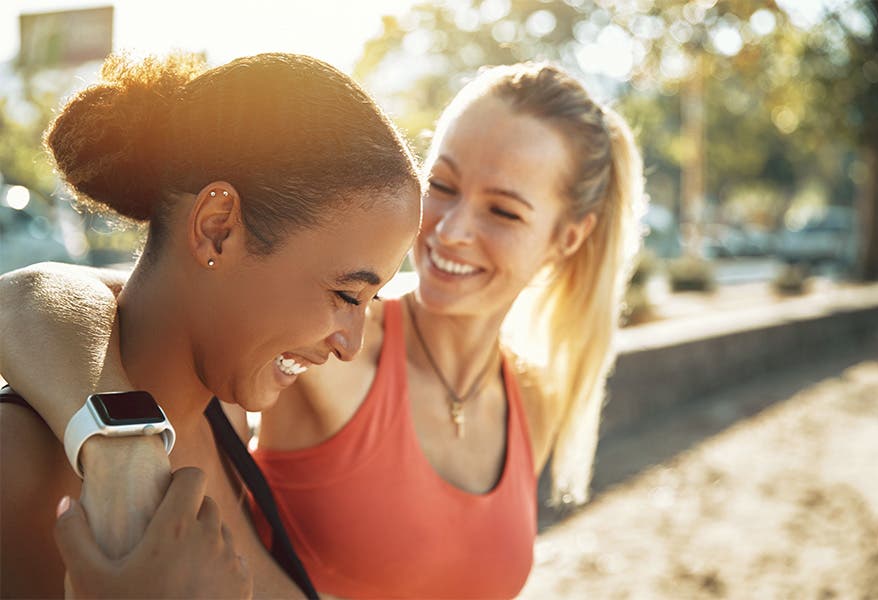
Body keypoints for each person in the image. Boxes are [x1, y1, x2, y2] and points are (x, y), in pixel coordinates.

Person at [1, 62, 645, 599]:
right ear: (217, 227)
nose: (448, 232)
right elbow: (51, 295)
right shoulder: (291, 369)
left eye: (504, 209)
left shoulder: (526, 394)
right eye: (441, 186)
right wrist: (120, 447)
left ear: (568, 237)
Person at [0, 50, 421, 599]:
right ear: (217, 228)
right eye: (345, 294)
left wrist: (123, 438)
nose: (351, 343)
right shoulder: (17, 469)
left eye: (371, 299)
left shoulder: (224, 412)